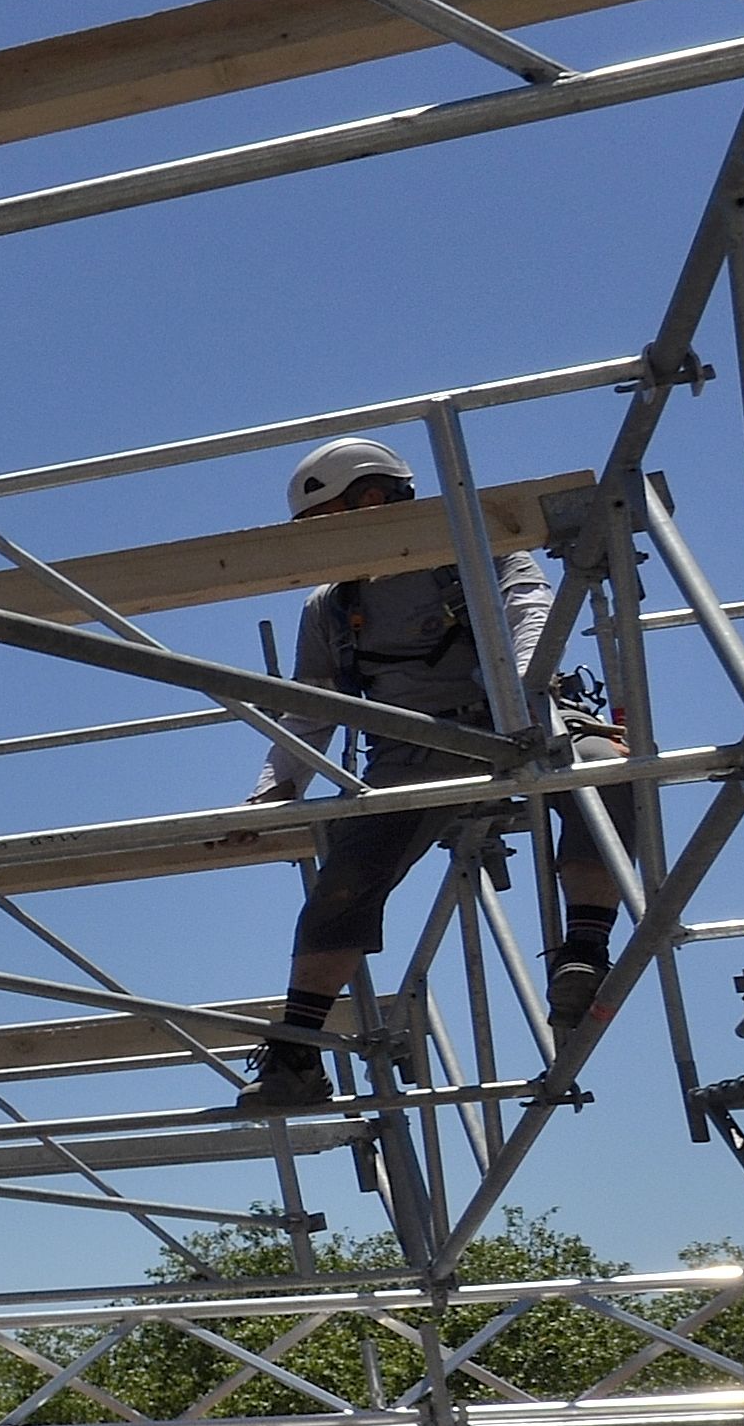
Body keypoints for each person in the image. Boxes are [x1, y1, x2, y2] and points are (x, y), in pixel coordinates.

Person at [236, 435, 631, 1114]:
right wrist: (274, 790)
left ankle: (584, 951)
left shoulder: (482, 552)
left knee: (607, 769)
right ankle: (296, 1048)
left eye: (325, 522)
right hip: (412, 754)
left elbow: (529, 610)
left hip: (523, 721)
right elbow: (310, 705)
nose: (321, 544)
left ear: (371, 500)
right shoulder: (331, 605)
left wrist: (528, 695)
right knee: (348, 868)